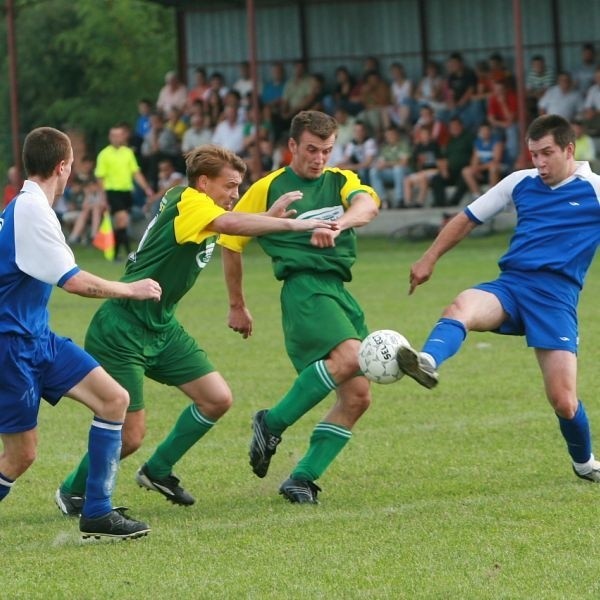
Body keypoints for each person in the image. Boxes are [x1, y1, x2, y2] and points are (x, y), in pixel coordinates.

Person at [55, 144, 337, 512]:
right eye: (230, 186)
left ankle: (158, 470)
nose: (235, 194)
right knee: (130, 434)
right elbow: (229, 224)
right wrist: (291, 223)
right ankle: (72, 492)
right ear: (204, 183)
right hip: (122, 328)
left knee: (216, 398)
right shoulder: (191, 202)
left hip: (160, 323)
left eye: (238, 186)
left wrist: (266, 217)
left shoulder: (194, 201)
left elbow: (230, 224)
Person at [395, 114, 600, 484]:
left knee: (564, 401)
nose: (538, 163)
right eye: (533, 154)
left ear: (569, 150)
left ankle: (585, 463)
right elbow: (467, 218)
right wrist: (429, 257)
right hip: (512, 287)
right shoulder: (520, 182)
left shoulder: (595, 190)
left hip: (556, 300)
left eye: (547, 153)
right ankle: (426, 360)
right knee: (461, 306)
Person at [0, 126, 162, 539]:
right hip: (11, 345)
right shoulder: (31, 211)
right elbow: (73, 281)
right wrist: (130, 289)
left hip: (38, 338)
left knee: (114, 399)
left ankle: (97, 514)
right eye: (72, 165)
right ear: (63, 166)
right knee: (20, 456)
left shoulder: (29, 207)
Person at [218, 110, 380, 504]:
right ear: (292, 146)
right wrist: (237, 305)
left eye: (326, 150)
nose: (319, 158)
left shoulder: (341, 181)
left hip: (339, 290)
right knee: (351, 357)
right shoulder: (270, 187)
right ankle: (271, 423)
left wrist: (339, 225)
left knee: (358, 396)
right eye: (311, 149)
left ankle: (302, 478)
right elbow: (230, 237)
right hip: (303, 288)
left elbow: (368, 206)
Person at [97, 124, 154, 261]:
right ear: (110, 137)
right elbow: (100, 177)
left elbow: (136, 173)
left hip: (126, 192)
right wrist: (103, 197)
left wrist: (146, 188)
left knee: (123, 222)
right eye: (113, 135)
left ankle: (117, 254)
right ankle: (128, 253)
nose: (116, 138)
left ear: (123, 137)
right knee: (121, 220)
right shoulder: (104, 154)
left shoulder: (128, 153)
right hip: (113, 191)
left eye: (119, 135)